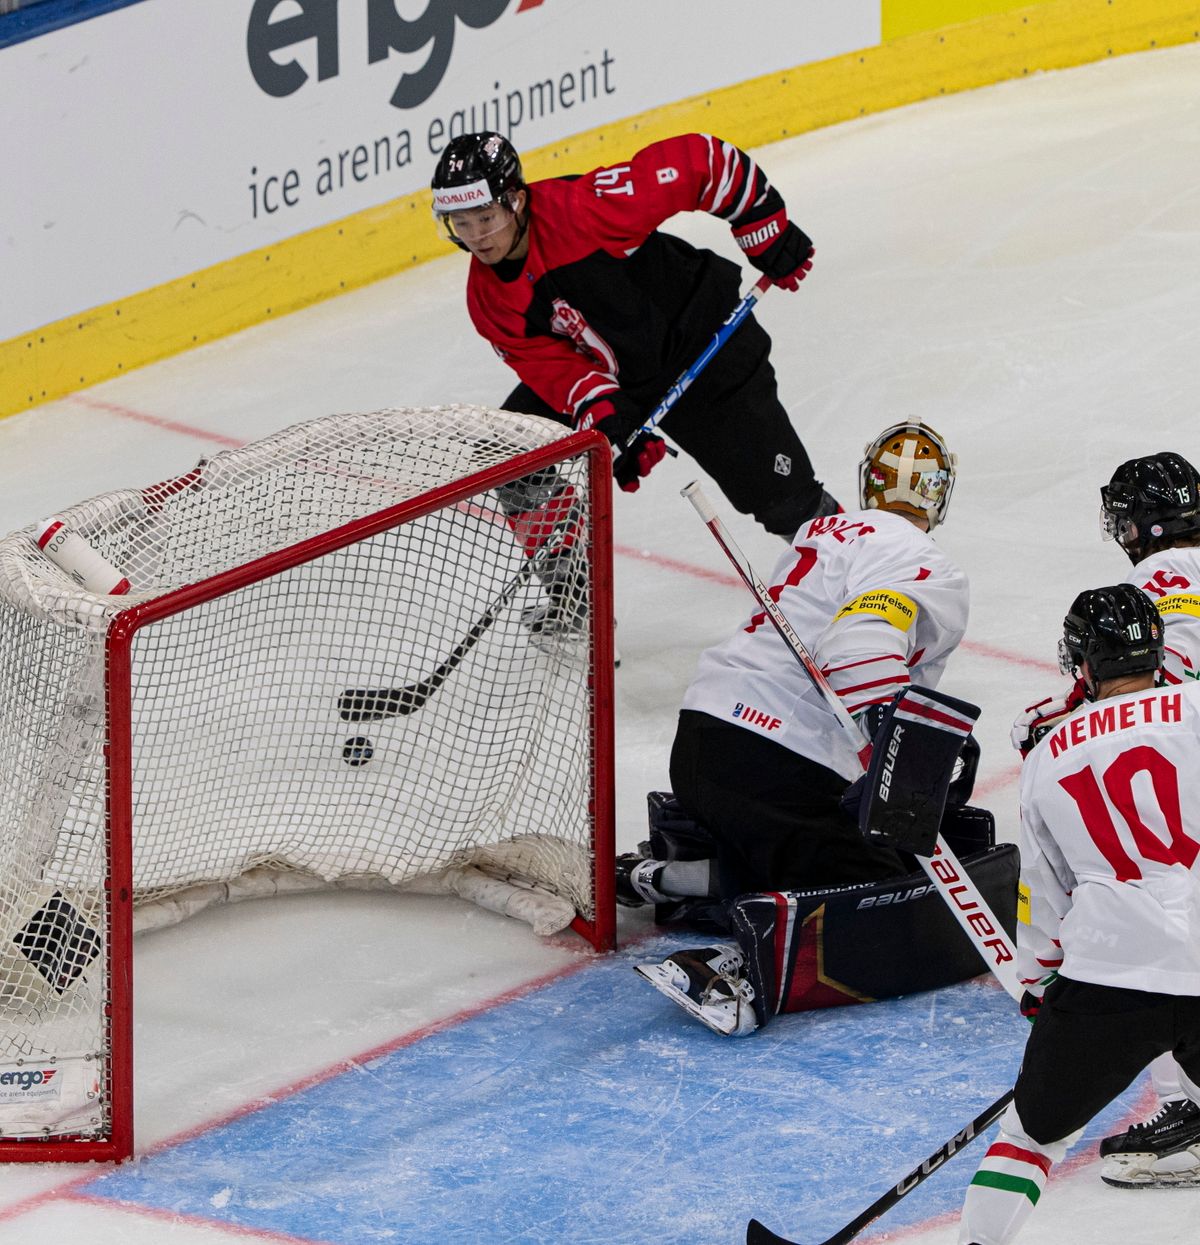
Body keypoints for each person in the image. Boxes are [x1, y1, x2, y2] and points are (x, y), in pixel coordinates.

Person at [624, 421, 970, 1033]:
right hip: (779, 760)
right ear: (939, 498)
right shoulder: (925, 562)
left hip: (704, 742)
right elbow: (860, 643)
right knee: (883, 890)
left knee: (800, 840)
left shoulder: (825, 535)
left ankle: (664, 876)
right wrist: (893, 755)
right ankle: (729, 963)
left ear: (869, 485)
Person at [429, 130, 837, 534]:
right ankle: (573, 595)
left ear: (515, 202)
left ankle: (861, 567)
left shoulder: (584, 210)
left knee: (787, 504)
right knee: (512, 455)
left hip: (704, 345)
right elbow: (551, 367)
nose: (477, 238)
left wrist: (763, 224)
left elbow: (704, 160)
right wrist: (609, 418)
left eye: (485, 218)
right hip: (618, 369)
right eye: (461, 224)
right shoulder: (487, 299)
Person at [958, 584, 1200, 1244]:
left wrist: (1040, 985)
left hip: (1112, 969)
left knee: (1031, 1138)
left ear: (1083, 664)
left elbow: (1043, 895)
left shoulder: (1051, 754)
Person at [1011, 451, 1200, 1186]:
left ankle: (1188, 1102)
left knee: (1145, 915)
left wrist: (1047, 725)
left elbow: (1141, 696)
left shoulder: (1147, 588)